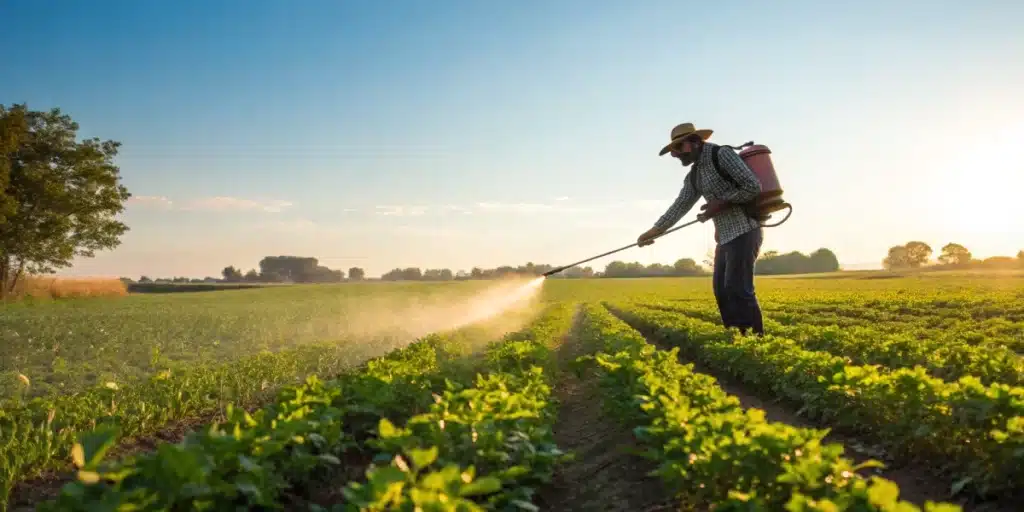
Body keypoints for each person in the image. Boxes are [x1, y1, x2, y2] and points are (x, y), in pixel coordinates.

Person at [636, 122, 765, 336]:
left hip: (745, 229)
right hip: (724, 238)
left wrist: (722, 203)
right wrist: (654, 231)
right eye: (673, 151)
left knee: (738, 289)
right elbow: (680, 205)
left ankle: (756, 339)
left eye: (678, 148)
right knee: (722, 291)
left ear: (695, 142)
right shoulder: (695, 175)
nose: (675, 155)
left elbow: (753, 186)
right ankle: (736, 337)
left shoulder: (721, 154)